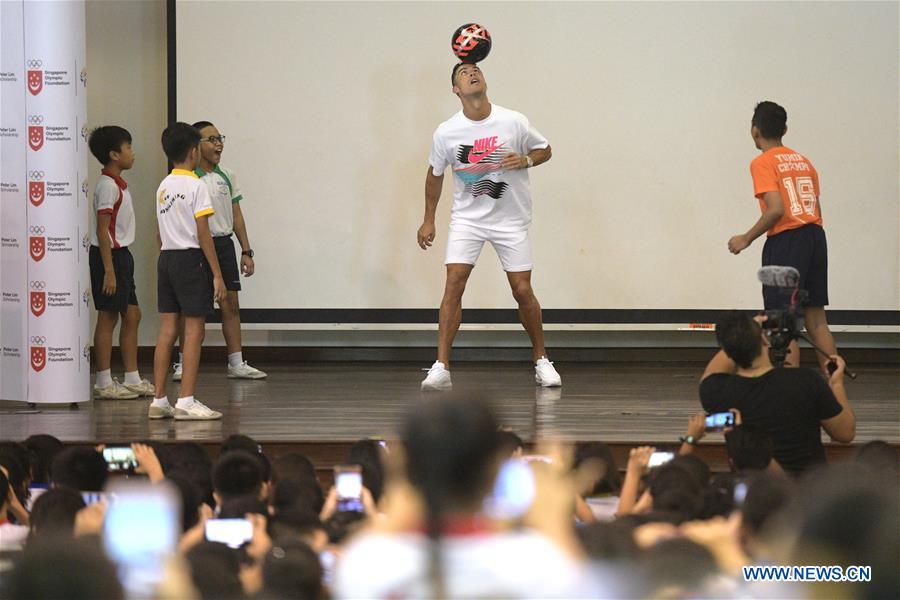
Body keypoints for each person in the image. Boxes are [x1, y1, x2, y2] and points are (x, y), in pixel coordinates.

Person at [418, 62, 561, 390]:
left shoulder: (513, 120)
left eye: (475, 70)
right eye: (463, 73)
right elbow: (434, 175)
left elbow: (545, 149)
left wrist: (525, 160)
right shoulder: (446, 132)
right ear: (456, 90)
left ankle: (541, 360)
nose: (472, 74)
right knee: (454, 282)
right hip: (468, 219)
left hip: (510, 219)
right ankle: (441, 367)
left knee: (522, 290)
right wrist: (428, 219)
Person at [728, 101, 837, 372]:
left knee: (782, 321)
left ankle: (788, 392)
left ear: (755, 131)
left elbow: (777, 209)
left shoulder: (763, 162)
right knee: (817, 320)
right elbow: (815, 208)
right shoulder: (804, 161)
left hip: (787, 242)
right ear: (785, 129)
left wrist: (746, 238)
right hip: (815, 236)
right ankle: (835, 388)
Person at [700, 311, 855, 475]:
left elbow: (710, 374)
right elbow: (845, 433)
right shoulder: (807, 381)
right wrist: (836, 384)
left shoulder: (719, 391)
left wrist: (742, 335)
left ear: (727, 351)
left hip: (755, 493)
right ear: (765, 340)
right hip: (810, 493)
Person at [171, 121, 266, 382]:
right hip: (196, 247)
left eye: (219, 138)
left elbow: (236, 214)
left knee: (231, 305)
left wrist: (246, 250)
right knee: (191, 309)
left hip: (223, 245)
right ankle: (182, 363)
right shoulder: (187, 179)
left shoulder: (227, 175)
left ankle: (236, 362)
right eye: (211, 139)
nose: (218, 144)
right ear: (195, 146)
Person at [149, 122, 225, 421]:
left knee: (167, 329)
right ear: (194, 151)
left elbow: (158, 231)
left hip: (166, 259)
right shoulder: (197, 185)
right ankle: (186, 399)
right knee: (194, 330)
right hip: (191, 259)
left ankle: (158, 399)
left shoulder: (164, 185)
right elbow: (203, 233)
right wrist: (216, 273)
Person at [87, 126, 153, 399]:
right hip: (109, 258)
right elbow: (103, 231)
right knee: (108, 317)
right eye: (129, 148)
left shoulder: (118, 184)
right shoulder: (107, 187)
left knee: (133, 315)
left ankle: (132, 377)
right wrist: (110, 271)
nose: (133, 153)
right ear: (114, 155)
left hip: (122, 256)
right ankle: (103, 382)